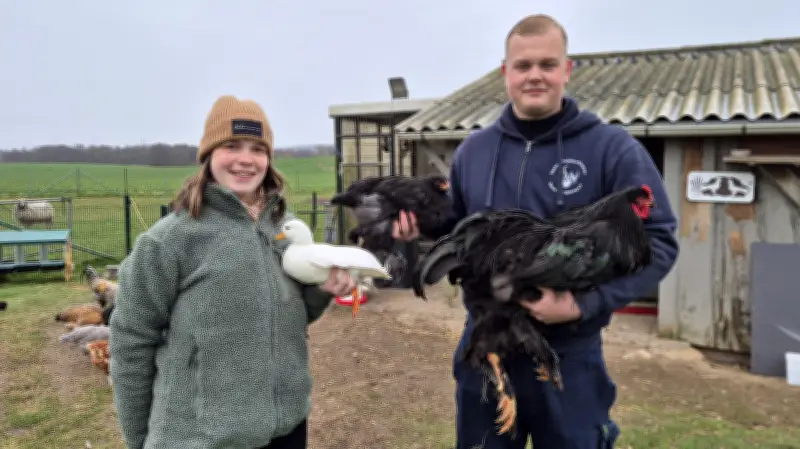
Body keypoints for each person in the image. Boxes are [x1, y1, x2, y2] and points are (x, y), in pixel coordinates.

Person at [393, 14, 679, 449]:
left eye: (547, 64)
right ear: (506, 73)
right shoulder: (475, 150)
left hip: (569, 352)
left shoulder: (612, 149)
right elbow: (459, 231)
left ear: (566, 70)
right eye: (523, 66)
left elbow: (658, 241)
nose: (535, 76)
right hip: (487, 345)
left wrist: (585, 304)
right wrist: (421, 230)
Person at [109, 95, 356, 449]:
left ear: (268, 159)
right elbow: (131, 340)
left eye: (257, 148)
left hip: (286, 430)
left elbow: (290, 318)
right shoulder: (169, 241)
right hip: (201, 438)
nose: (245, 159)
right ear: (208, 155)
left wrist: (322, 290)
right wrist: (138, 440)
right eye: (231, 146)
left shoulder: (284, 230)